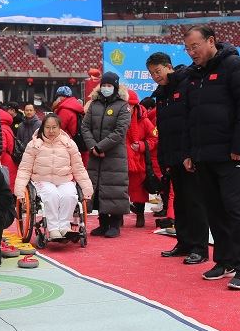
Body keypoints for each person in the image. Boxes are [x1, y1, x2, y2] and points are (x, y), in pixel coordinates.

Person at [182, 25, 240, 290]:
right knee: (214, 211)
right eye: (188, 48)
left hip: (232, 154)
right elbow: (191, 118)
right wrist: (190, 152)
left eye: (195, 46)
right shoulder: (194, 76)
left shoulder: (235, 65)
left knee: (236, 210)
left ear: (211, 41)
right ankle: (224, 261)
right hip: (204, 156)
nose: (192, 53)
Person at [147, 53, 209, 265]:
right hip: (172, 155)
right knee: (180, 202)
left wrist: (191, 153)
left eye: (158, 71)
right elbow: (163, 129)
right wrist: (163, 159)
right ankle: (183, 242)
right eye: (152, 73)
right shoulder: (162, 93)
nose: (156, 76)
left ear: (168, 67)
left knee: (195, 202)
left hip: (188, 155)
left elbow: (193, 121)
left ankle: (199, 248)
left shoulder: (187, 84)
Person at [14, 113, 93, 239]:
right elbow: (24, 169)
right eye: (47, 127)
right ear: (42, 128)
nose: (51, 131)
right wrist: (19, 192)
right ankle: (53, 229)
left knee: (70, 196)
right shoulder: (33, 145)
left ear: (59, 128)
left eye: (54, 127)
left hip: (64, 179)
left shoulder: (69, 144)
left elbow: (79, 168)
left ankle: (65, 227)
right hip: (42, 180)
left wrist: (87, 189)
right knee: (51, 195)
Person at [82, 72, 131, 238]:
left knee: (115, 188)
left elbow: (120, 132)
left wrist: (101, 147)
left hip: (114, 155)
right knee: (97, 187)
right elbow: (85, 127)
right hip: (95, 155)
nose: (106, 88)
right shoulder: (93, 104)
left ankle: (115, 224)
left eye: (109, 85)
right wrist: (93, 147)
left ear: (115, 87)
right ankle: (102, 224)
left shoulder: (123, 106)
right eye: (104, 85)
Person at [125, 89, 158, 228]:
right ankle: (117, 217)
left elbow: (154, 138)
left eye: (130, 105)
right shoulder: (118, 120)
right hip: (121, 160)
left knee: (139, 190)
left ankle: (140, 214)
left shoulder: (144, 121)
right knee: (120, 190)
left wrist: (142, 146)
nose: (128, 108)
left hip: (139, 162)